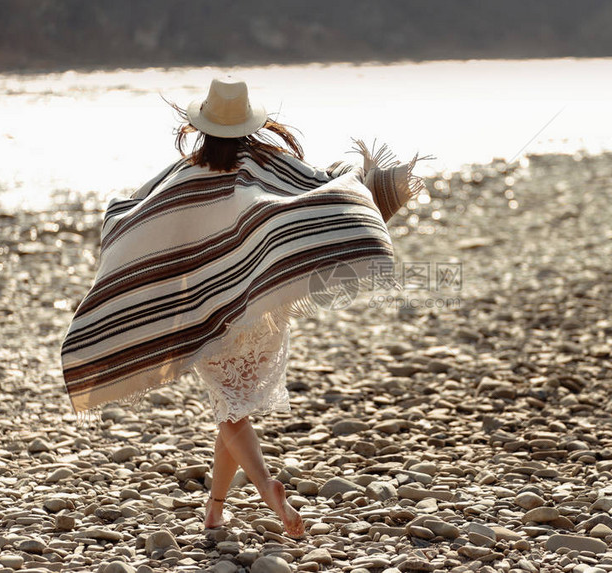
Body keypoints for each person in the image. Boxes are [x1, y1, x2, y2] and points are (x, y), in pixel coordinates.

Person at [59, 76, 426, 537]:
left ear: (201, 126)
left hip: (212, 308)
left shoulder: (185, 174)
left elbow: (137, 217)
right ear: (251, 123)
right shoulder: (274, 164)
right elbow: (321, 192)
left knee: (230, 411)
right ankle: (214, 510)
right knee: (231, 409)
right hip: (261, 305)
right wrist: (367, 184)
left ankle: (268, 487)